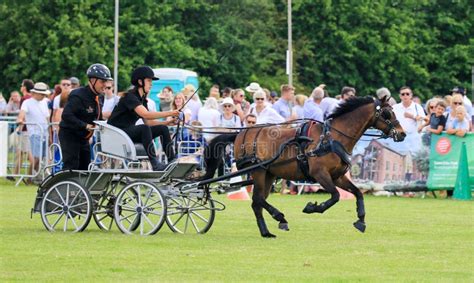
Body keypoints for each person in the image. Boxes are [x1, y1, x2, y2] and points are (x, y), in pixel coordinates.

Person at [107, 66, 179, 171]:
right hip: (117, 134)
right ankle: (155, 164)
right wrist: (171, 112)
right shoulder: (130, 97)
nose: (151, 84)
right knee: (144, 128)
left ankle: (172, 160)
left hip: (126, 132)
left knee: (162, 129)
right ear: (140, 82)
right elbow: (145, 114)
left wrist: (167, 123)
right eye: (149, 80)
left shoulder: (142, 99)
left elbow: (148, 122)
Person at [60, 63, 113, 170]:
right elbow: (66, 115)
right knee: (72, 166)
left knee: (85, 167)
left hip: (83, 138)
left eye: (106, 81)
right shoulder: (78, 95)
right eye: (102, 81)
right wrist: (85, 126)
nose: (105, 85)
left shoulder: (99, 97)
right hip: (70, 135)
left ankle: (81, 187)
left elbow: (97, 116)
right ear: (92, 81)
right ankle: (66, 186)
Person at [16, 82, 50, 176]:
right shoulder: (27, 103)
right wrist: (20, 119)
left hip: (45, 133)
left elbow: (47, 118)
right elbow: (21, 114)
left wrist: (50, 133)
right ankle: (32, 176)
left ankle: (33, 176)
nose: (44, 96)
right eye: (42, 94)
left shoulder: (45, 102)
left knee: (42, 157)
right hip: (34, 133)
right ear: (36, 93)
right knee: (36, 157)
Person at [393, 86, 425, 153]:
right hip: (399, 141)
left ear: (411, 95)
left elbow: (423, 123)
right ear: (400, 96)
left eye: (407, 94)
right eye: (403, 94)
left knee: (414, 161)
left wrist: (414, 117)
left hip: (414, 141)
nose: (405, 96)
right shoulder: (395, 108)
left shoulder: (418, 107)